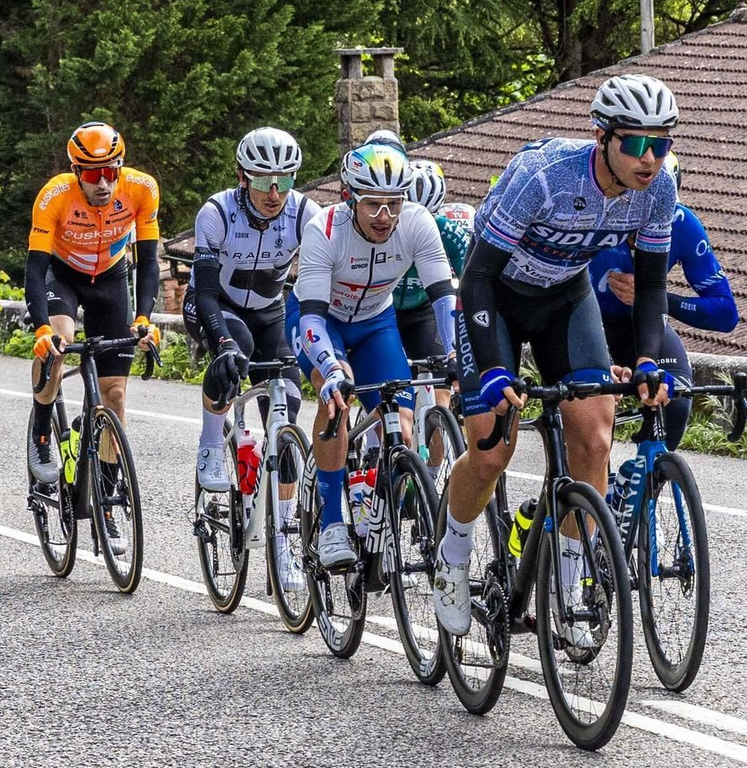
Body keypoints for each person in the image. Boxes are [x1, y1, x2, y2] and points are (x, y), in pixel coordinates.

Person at [435, 73, 680, 644]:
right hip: (495, 299)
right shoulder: (541, 177)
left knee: (594, 439)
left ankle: (568, 585)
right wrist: (496, 370)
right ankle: (452, 550)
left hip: (566, 300)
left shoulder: (659, 190)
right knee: (492, 449)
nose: (649, 159)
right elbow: (475, 280)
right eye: (636, 144)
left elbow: (649, 289)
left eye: (661, 144)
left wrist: (646, 359)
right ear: (603, 137)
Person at [295, 144, 463, 570]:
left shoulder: (417, 224)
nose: (384, 216)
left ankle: (376, 516)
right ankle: (332, 522)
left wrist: (457, 353)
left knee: (403, 427)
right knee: (336, 397)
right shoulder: (324, 228)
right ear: (351, 198)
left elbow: (444, 297)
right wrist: (330, 368)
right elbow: (311, 317)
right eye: (372, 204)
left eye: (393, 203)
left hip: (375, 322)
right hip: (319, 320)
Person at [183, 126, 313, 592]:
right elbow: (203, 288)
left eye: (284, 180)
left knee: (289, 406)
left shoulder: (304, 212)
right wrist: (220, 344)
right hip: (216, 305)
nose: (274, 192)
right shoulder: (217, 213)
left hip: (271, 312)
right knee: (234, 360)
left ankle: (284, 542)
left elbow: (322, 277)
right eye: (262, 181)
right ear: (243, 177)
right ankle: (211, 443)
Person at [24, 122, 162, 551]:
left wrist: (143, 318)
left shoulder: (141, 189)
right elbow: (34, 267)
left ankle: (106, 501)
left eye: (110, 172)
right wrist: (42, 327)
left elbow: (150, 261)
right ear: (74, 169)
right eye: (90, 173)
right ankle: (42, 429)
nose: (102, 183)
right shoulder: (54, 195)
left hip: (110, 279)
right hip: (62, 276)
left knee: (115, 394)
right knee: (59, 343)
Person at [588, 154, 738, 453]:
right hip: (589, 324)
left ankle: (643, 486)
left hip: (644, 326)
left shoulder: (682, 224)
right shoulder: (596, 221)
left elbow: (725, 313)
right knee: (594, 417)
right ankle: (590, 492)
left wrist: (658, 299)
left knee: (676, 398)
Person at [393, 158, 476, 426]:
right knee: (394, 402)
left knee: (442, 394)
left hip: (424, 312)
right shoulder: (383, 229)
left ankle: (433, 468)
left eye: (427, 219)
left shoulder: (448, 231)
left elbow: (473, 283)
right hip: (385, 311)